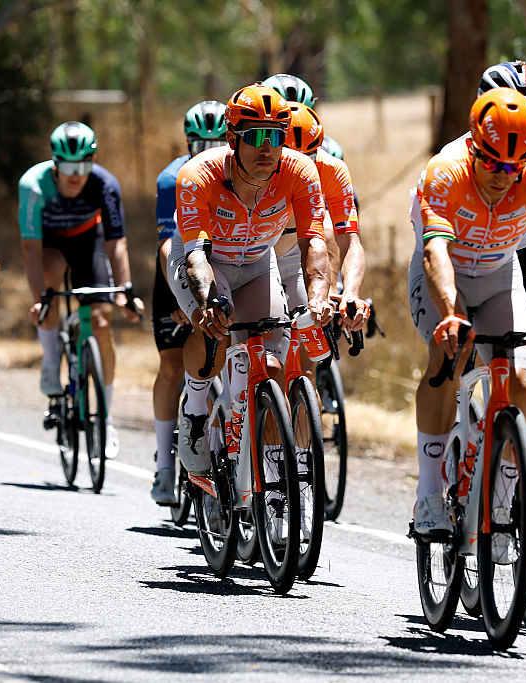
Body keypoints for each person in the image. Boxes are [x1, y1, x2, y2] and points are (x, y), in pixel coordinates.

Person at [408, 88, 526, 535]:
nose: (502, 176)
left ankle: (500, 505)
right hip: (443, 274)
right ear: (473, 146)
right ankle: (429, 497)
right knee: (448, 358)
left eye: (514, 168)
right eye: (492, 163)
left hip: (499, 278)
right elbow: (435, 251)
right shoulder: (444, 171)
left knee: (525, 384)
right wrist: (452, 315)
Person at [166, 83, 333, 480]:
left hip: (259, 262)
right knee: (215, 333)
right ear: (231, 138)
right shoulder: (197, 175)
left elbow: (314, 242)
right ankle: (194, 411)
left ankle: (274, 484)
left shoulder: (299, 170)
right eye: (256, 136)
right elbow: (196, 257)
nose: (267, 148)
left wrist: (319, 298)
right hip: (205, 262)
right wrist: (208, 304)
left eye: (275, 136)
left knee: (272, 367)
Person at [410, 60, 526, 416]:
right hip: (455, 258)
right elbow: (435, 246)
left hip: (517, 252)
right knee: (457, 359)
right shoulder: (457, 159)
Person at [19, 121, 145, 460]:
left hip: (89, 241)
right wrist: (38, 301)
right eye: (69, 167)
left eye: (84, 165)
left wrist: (126, 290)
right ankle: (50, 360)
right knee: (51, 278)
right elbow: (31, 250)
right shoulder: (33, 185)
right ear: (55, 164)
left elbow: (118, 242)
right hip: (49, 244)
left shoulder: (105, 184)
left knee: (101, 323)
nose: (76, 175)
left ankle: (105, 419)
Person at [149, 100, 228, 505]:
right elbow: (167, 245)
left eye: (215, 140)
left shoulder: (237, 171)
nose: (207, 148)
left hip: (226, 265)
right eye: (199, 141)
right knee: (171, 364)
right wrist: (184, 294)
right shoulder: (172, 177)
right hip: (176, 266)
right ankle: (165, 464)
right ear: (187, 140)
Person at [277, 102, 368, 334]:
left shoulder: (333, 170)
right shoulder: (259, 170)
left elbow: (349, 240)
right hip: (247, 253)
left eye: (311, 156)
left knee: (311, 339)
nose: (303, 167)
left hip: (293, 253)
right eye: (294, 160)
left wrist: (350, 293)